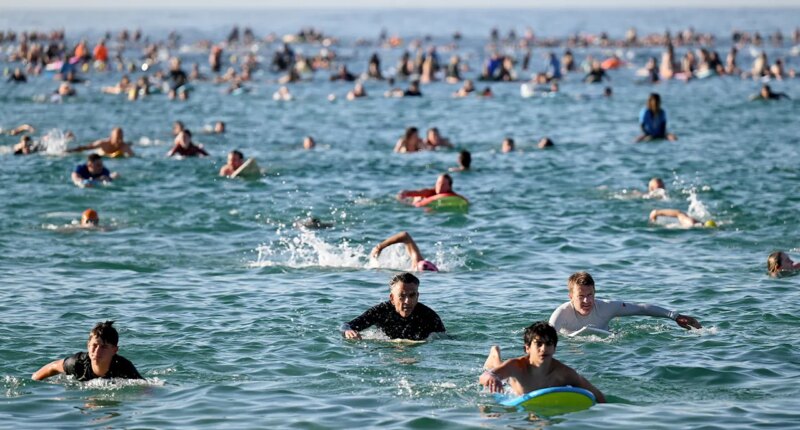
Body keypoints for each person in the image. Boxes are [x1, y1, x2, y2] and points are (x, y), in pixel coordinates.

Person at [479, 321, 606, 401]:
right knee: (499, 368)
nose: (544, 349)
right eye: (538, 344)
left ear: (555, 348)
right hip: (514, 386)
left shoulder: (563, 373)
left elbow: (595, 393)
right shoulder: (517, 366)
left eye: (549, 343)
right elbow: (484, 377)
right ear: (527, 348)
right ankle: (494, 354)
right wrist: (491, 377)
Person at [549, 272, 702, 334]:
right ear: (570, 296)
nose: (587, 301)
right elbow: (546, 340)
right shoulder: (561, 314)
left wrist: (674, 316)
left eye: (590, 295)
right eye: (581, 296)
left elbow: (640, 309)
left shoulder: (606, 307)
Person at [341, 272, 445, 341]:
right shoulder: (381, 311)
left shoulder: (429, 316)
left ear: (417, 296)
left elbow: (445, 340)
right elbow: (346, 325)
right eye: (402, 296)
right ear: (392, 298)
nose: (407, 301)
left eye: (412, 295)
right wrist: (348, 331)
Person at [32, 321, 143, 382]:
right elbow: (53, 366)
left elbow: (145, 387)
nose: (97, 351)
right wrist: (34, 381)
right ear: (88, 345)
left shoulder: (123, 367)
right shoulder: (77, 363)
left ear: (114, 350)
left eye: (104, 347)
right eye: (94, 345)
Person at [371, 231, 439, 272]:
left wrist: (380, 247)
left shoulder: (416, 265)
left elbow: (405, 235)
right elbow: (404, 235)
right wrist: (380, 247)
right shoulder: (417, 263)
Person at [397, 173, 465, 204]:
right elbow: (409, 193)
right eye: (438, 184)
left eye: (443, 185)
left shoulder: (452, 195)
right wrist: (402, 194)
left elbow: (463, 200)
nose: (440, 187)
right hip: (414, 202)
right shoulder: (429, 192)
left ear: (449, 187)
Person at [68, 127, 133, 157]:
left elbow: (132, 156)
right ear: (111, 138)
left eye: (121, 138)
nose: (119, 141)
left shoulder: (124, 146)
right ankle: (72, 138)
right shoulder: (103, 144)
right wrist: (70, 151)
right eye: (117, 138)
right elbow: (86, 148)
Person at [649, 208, 716, 228]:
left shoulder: (691, 223)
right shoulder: (692, 222)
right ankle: (656, 212)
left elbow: (678, 213)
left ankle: (656, 212)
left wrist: (656, 213)